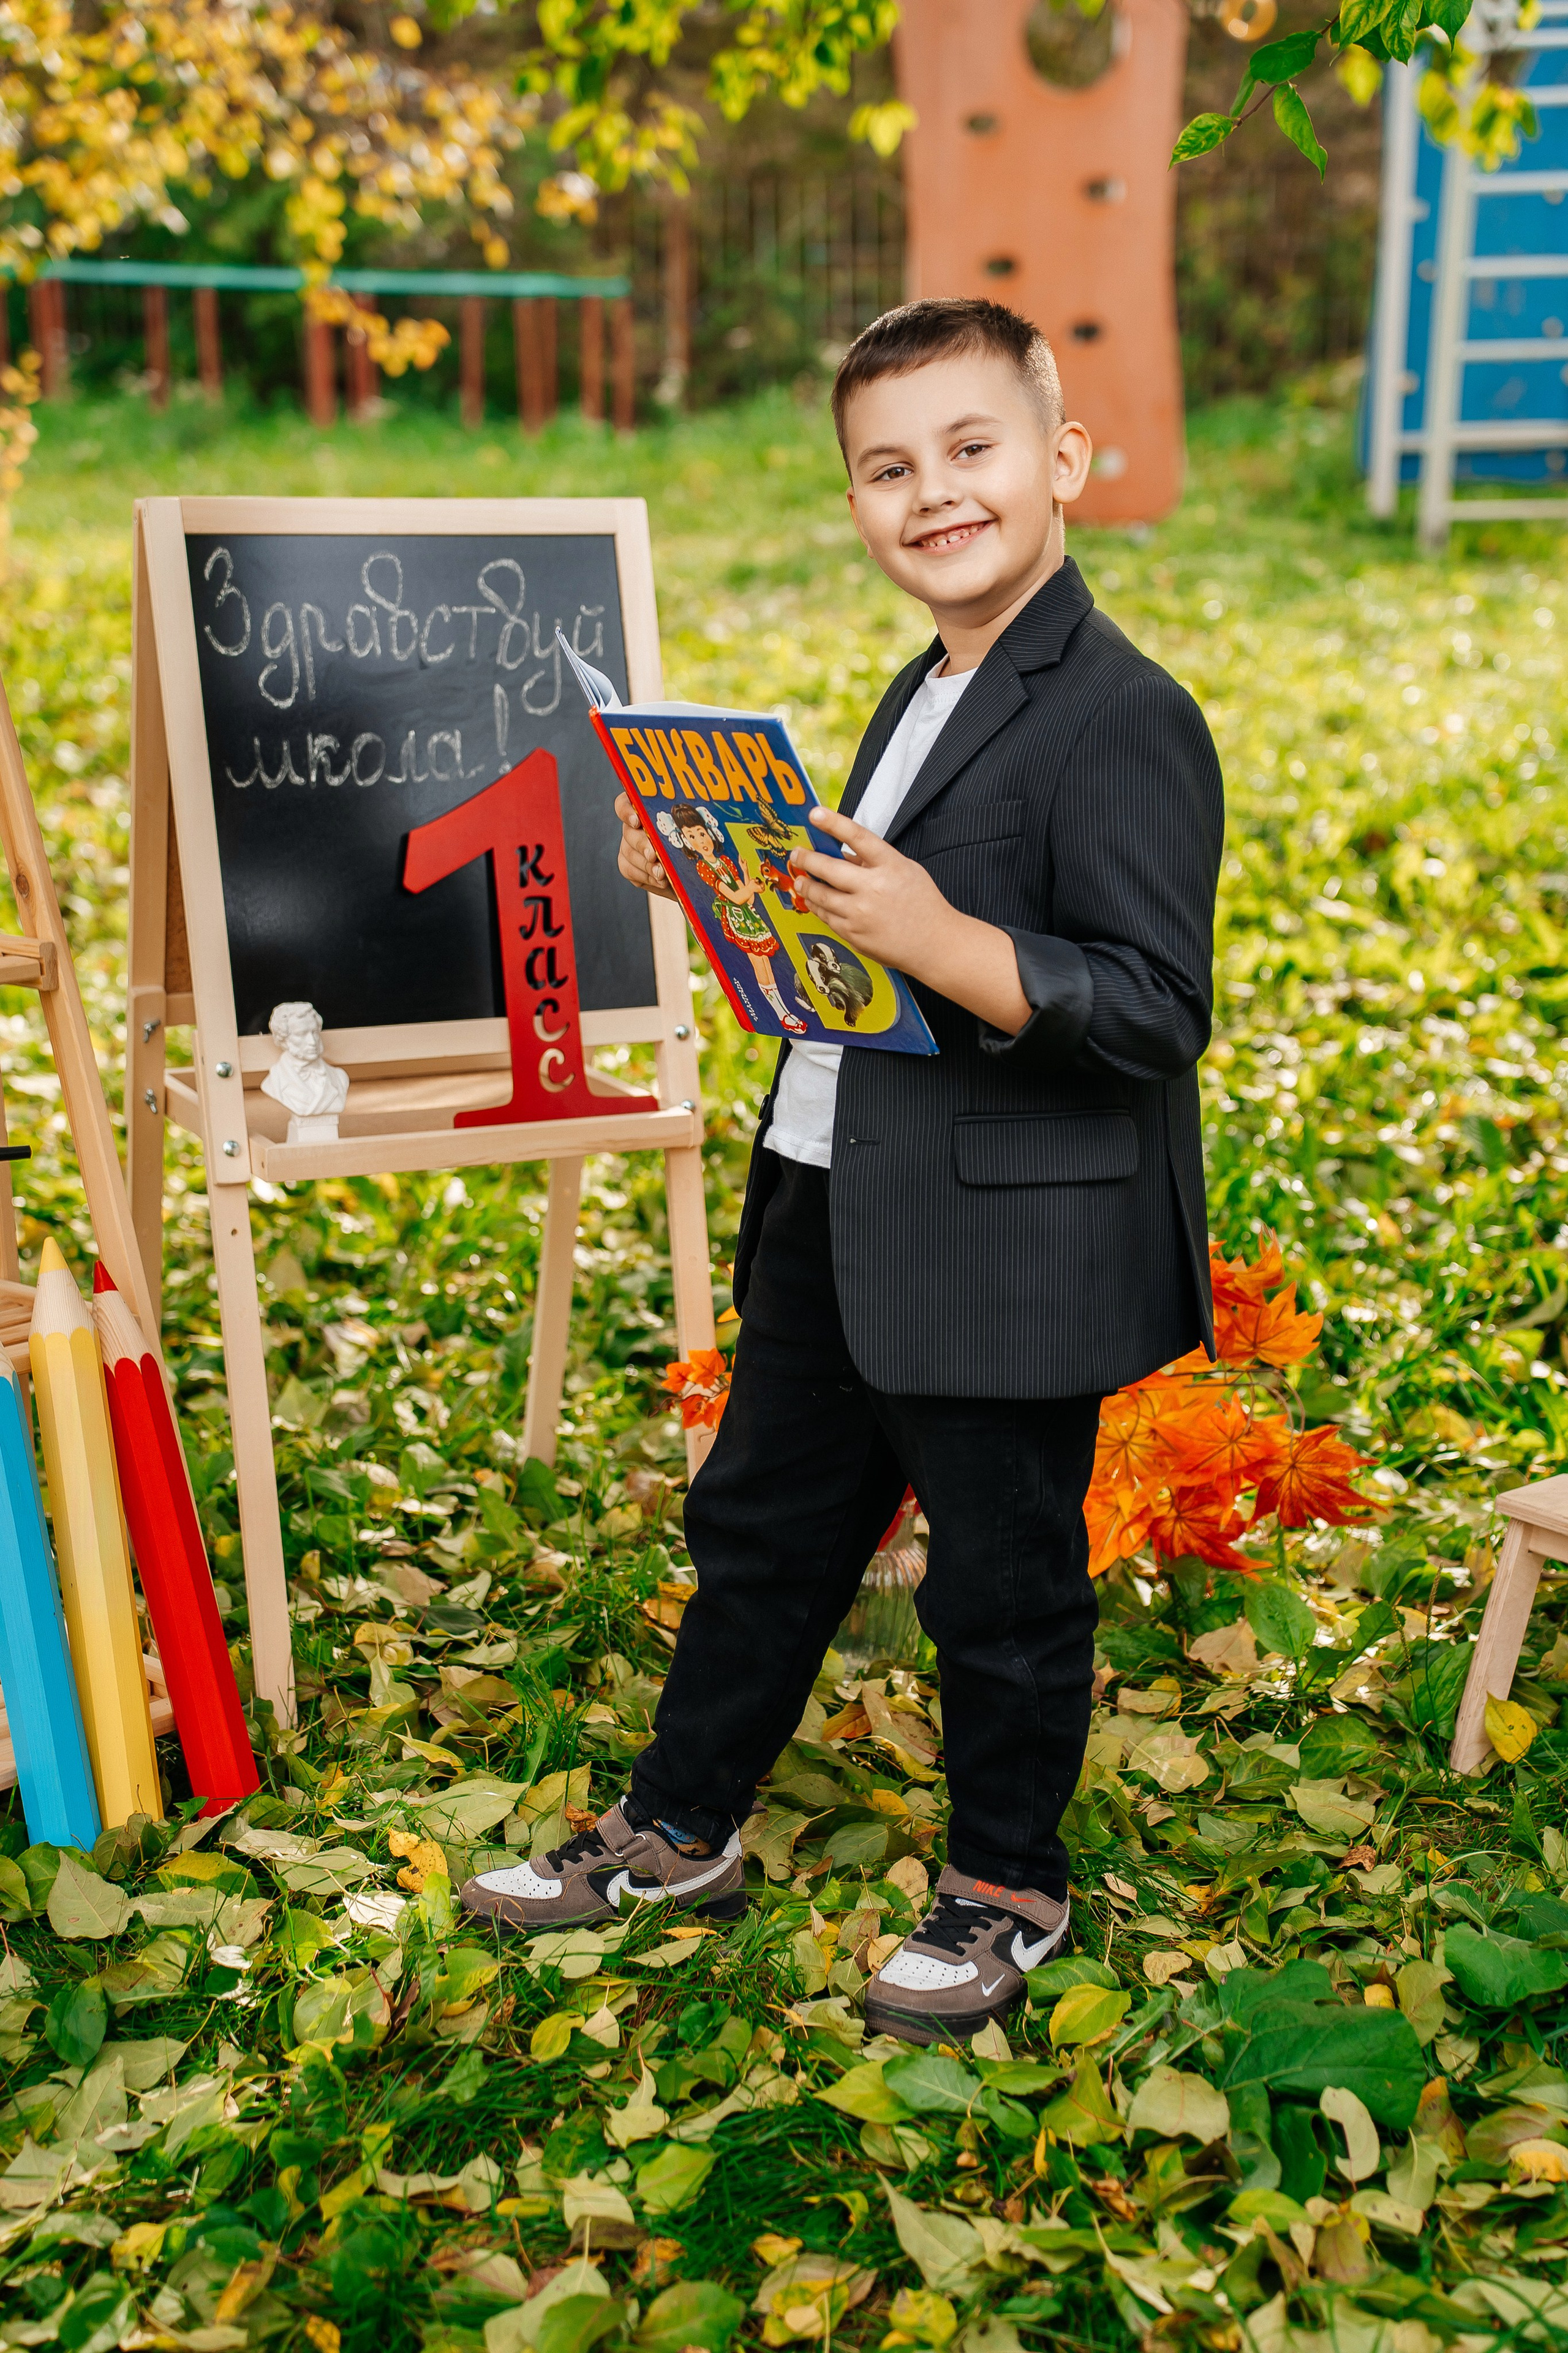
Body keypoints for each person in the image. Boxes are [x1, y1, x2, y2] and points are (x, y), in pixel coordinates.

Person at [460, 296, 1224, 2045]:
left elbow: (1152, 1009)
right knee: (761, 1527)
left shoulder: (1121, 714)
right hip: (832, 1188)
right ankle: (676, 1823)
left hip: (996, 1242)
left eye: (971, 450)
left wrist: (942, 932)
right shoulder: (924, 683)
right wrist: (741, 893)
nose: (932, 494)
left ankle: (1007, 1887)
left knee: (1000, 1574)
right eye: (889, 468)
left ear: (1063, 465)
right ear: (857, 502)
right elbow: (867, 948)